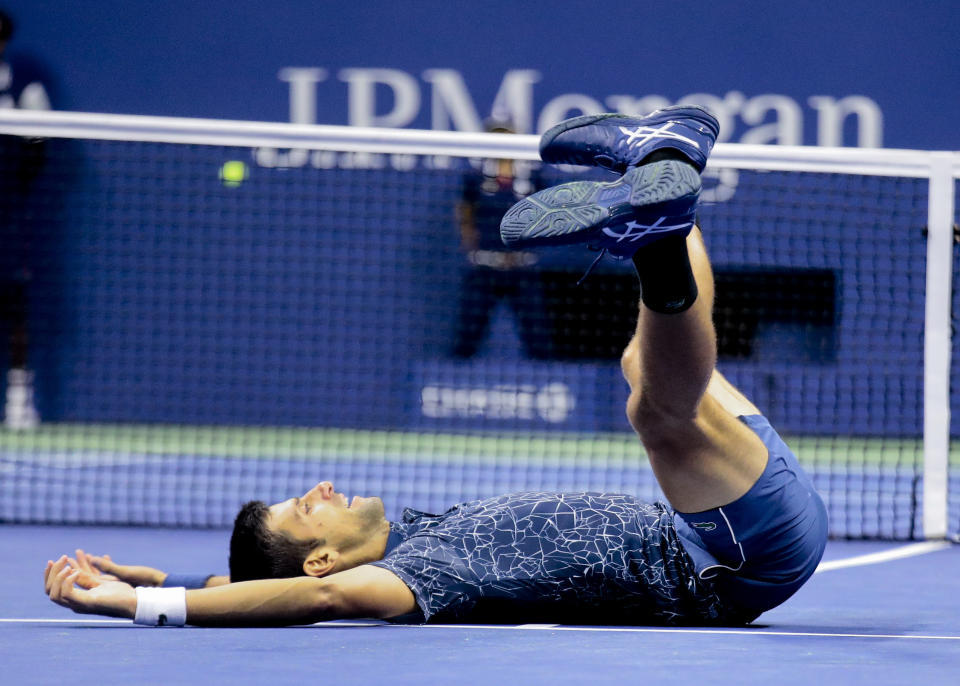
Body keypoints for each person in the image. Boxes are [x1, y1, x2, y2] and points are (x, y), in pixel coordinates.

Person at [43, 106, 828, 628]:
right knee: (655, 409)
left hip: (713, 509)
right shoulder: (413, 576)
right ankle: (659, 223)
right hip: (731, 560)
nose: (317, 486)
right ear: (322, 555)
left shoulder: (407, 529)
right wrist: (149, 611)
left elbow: (251, 584)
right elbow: (318, 593)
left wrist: (152, 582)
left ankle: (659, 166)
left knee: (643, 365)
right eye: (303, 509)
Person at [450, 118, 552, 359]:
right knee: (468, 334)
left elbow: (548, 209)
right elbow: (464, 209)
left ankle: (548, 384)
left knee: (538, 338)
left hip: (522, 269)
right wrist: (469, 240)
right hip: (485, 268)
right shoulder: (476, 177)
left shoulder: (532, 177)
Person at [0, 8, 52, 429]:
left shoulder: (22, 77)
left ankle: (19, 400)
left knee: (16, 304)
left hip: (10, 213)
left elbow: (39, 140)